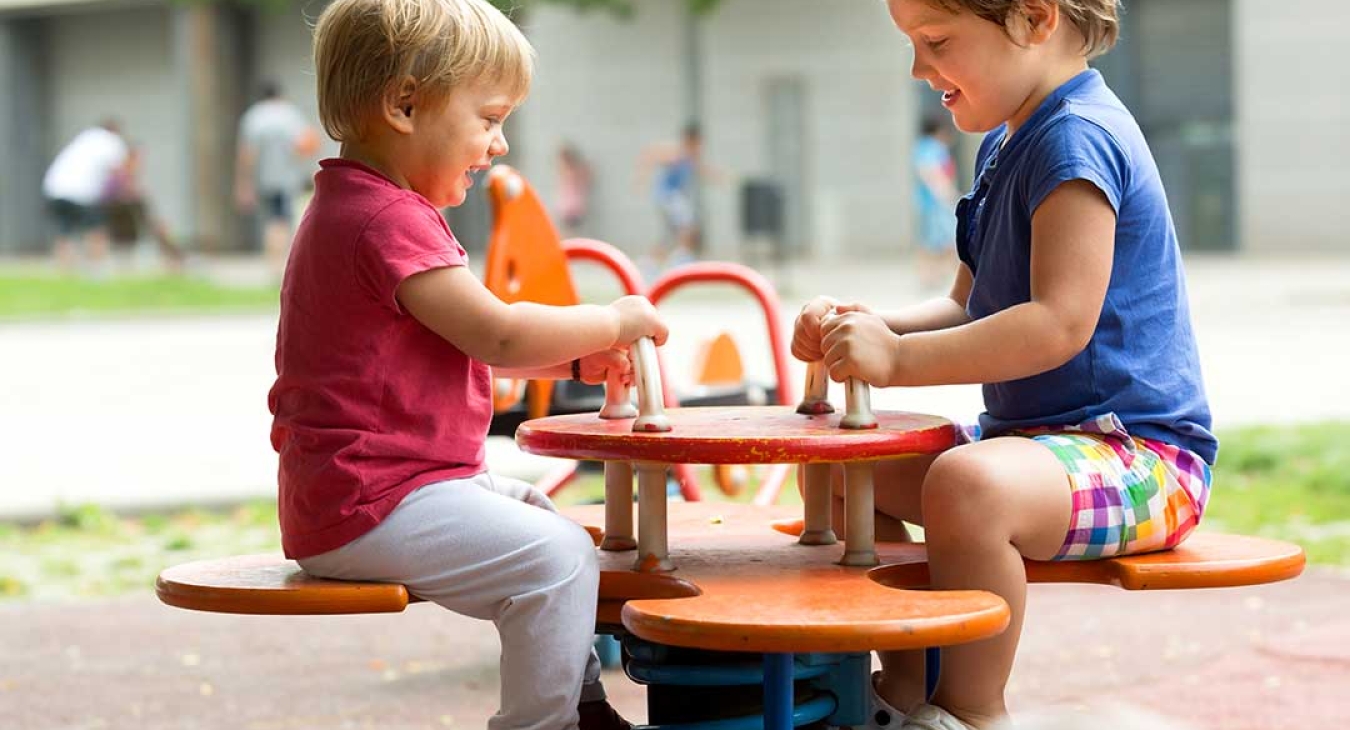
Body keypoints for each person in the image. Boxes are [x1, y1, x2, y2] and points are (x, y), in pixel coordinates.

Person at [792, 1, 1216, 728]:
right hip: (1032, 450)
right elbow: (969, 308)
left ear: (1033, 19)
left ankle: (970, 709)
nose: (919, 69)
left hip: (1142, 458)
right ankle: (904, 686)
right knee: (841, 466)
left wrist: (896, 360)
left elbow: (1058, 324)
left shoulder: (1077, 139)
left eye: (935, 41)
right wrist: (865, 326)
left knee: (968, 485)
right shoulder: (1007, 141)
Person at [268, 1, 666, 728]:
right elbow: (498, 335)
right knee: (556, 557)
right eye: (488, 118)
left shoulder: (359, 207)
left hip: (373, 490)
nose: (500, 143)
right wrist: (614, 320)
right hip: (372, 500)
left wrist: (575, 361)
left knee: (541, 518)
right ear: (404, 105)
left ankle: (580, 702)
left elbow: (454, 344)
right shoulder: (386, 219)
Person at [235, 80, 317, 276]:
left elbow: (247, 154)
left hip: (264, 179)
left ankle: (274, 264)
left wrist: (244, 185)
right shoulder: (290, 115)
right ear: (280, 95)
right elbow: (305, 146)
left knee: (273, 220)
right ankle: (278, 266)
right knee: (281, 221)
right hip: (288, 179)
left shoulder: (253, 117)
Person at [41, 119, 129, 273]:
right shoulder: (112, 141)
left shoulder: (85, 137)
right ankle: (96, 269)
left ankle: (64, 269)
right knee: (96, 228)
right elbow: (119, 171)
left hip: (54, 187)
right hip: (82, 191)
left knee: (65, 229)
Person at [637, 122, 718, 268]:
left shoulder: (691, 157)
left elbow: (702, 170)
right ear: (691, 140)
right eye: (698, 142)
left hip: (672, 198)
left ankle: (649, 261)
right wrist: (642, 179)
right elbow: (652, 154)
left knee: (670, 236)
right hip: (668, 196)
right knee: (688, 225)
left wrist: (718, 177)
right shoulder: (678, 153)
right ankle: (681, 257)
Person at [102, 145, 187, 273]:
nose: (139, 164)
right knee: (156, 226)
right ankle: (172, 255)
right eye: (137, 160)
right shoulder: (121, 174)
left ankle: (172, 254)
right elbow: (124, 195)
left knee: (158, 226)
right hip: (118, 211)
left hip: (127, 211)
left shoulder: (127, 175)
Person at [912, 114, 961, 291]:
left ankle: (931, 275)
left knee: (932, 241)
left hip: (928, 202)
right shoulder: (933, 147)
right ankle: (947, 276)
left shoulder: (922, 146)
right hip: (936, 203)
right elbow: (930, 172)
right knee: (947, 240)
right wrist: (948, 194)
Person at [556, 142, 592, 238]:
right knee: (567, 232)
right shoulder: (567, 171)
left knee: (570, 232)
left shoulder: (574, 172)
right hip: (567, 208)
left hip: (573, 207)